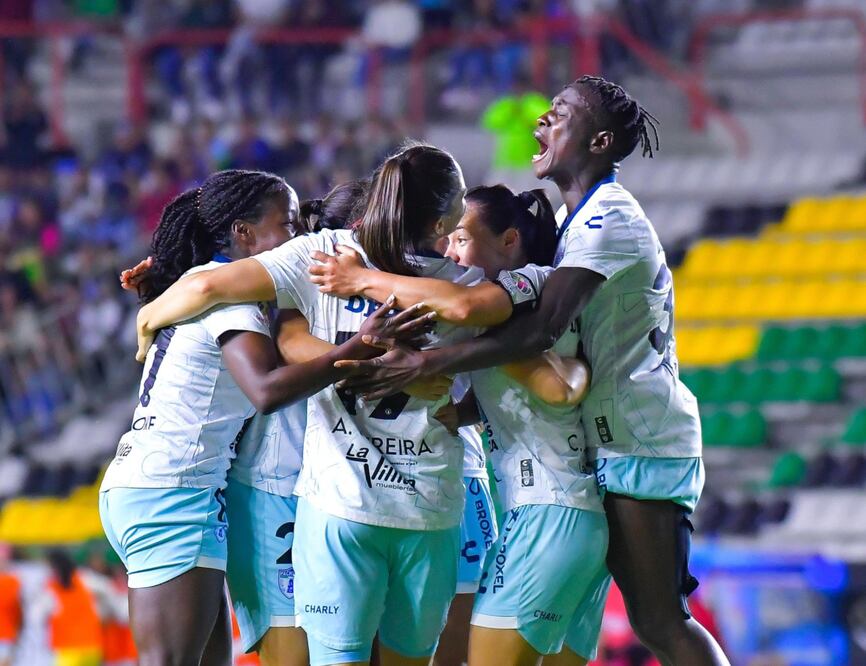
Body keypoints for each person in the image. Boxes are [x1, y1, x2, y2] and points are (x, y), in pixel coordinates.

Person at [330, 77, 730, 666]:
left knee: (661, 622)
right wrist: (465, 405)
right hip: (598, 460)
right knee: (650, 622)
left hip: (639, 444)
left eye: (560, 113)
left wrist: (426, 356)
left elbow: (537, 332)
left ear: (598, 140)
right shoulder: (575, 222)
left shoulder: (608, 218)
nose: (542, 120)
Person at [132, 144, 550, 666]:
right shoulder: (462, 283)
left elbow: (223, 292)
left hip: (332, 504)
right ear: (446, 219)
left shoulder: (321, 257)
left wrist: (150, 311)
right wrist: (417, 368)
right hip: (426, 503)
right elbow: (528, 363)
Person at [101, 169, 423, 666]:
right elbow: (267, 390)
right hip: (172, 491)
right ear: (242, 233)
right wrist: (359, 345)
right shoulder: (232, 302)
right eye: (287, 224)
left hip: (169, 486)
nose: (297, 238)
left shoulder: (208, 284)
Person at [310, 185, 608, 666]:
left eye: (461, 238)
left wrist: (367, 284)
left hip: (547, 510)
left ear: (509, 241)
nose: (449, 251)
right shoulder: (543, 300)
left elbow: (552, 381)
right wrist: (468, 407)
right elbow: (559, 383)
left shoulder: (507, 304)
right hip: (577, 511)